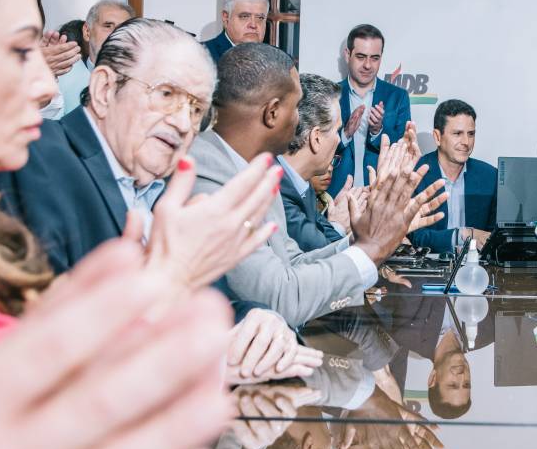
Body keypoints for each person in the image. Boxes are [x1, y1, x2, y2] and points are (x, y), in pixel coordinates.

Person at [0, 0, 231, 449]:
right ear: (106, 90)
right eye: (18, 50)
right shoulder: (40, 168)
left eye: (196, 109)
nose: (43, 84)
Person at [0, 18, 319, 384]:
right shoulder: (38, 158)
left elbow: (214, 303)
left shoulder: (171, 188)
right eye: (167, 95)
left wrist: (261, 323)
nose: (184, 123)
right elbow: (40, 336)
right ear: (105, 89)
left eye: (196, 109)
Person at [190, 43, 447, 328]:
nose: (301, 120)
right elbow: (280, 298)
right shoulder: (207, 172)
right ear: (272, 113)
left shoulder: (257, 171)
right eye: (296, 107)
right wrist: (371, 250)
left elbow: (294, 262)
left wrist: (364, 240)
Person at [330, 23, 412, 195]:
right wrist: (344, 135)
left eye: (374, 58)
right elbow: (316, 148)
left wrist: (377, 131)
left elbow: (402, 151)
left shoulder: (397, 97)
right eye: (361, 57)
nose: (368, 65)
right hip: (337, 195)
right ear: (347, 55)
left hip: (380, 195)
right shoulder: (330, 95)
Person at [408, 99, 497, 253]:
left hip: (477, 270)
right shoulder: (416, 174)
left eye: (471, 134)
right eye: (457, 134)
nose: (466, 142)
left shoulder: (490, 176)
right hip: (427, 270)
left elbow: (496, 235)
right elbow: (413, 235)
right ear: (437, 137)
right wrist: (463, 235)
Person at [278, 73, 353, 251]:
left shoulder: (302, 184)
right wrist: (378, 235)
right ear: (316, 137)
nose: (338, 141)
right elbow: (320, 254)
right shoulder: (275, 189)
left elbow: (330, 242)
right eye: (337, 131)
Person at [56, 0, 136, 116]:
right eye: (108, 26)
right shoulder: (60, 79)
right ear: (87, 32)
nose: (116, 34)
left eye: (123, 28)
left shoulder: (142, 81)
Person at [202, 0, 269, 63]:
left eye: (260, 18)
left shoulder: (276, 59)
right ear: (226, 18)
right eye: (244, 16)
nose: (253, 25)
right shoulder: (201, 55)